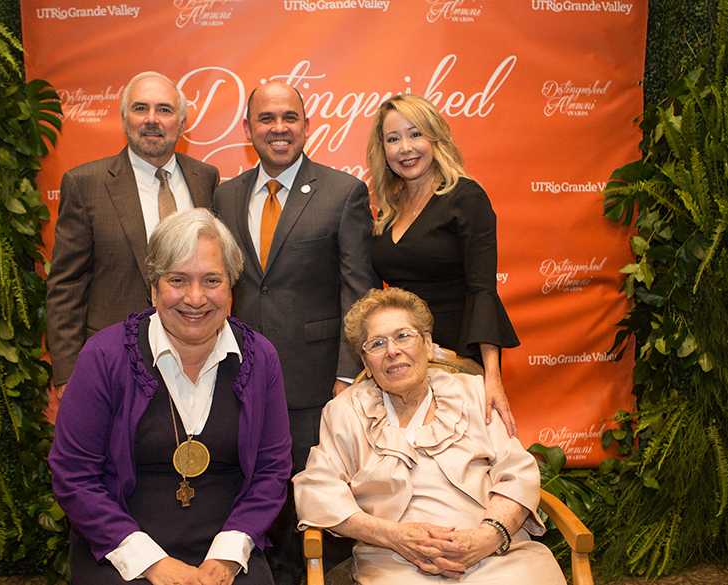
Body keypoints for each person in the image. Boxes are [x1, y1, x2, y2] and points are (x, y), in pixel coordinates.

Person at [49, 209, 292, 585]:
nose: (195, 298)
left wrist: (228, 555)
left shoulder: (261, 358)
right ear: (153, 286)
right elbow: (74, 475)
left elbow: (272, 470)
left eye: (212, 280)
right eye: (178, 280)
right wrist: (152, 563)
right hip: (121, 549)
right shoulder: (104, 356)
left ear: (231, 289)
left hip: (227, 547)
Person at [213, 81, 382, 585]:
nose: (278, 128)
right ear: (248, 129)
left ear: (307, 125)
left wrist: (348, 375)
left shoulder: (343, 191)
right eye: (266, 119)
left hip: (314, 386)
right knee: (250, 498)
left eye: (290, 117)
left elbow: (359, 290)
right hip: (239, 378)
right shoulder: (225, 194)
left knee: (317, 506)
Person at [293, 288, 564, 584]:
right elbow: (318, 490)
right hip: (397, 561)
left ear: (428, 343)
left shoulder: (473, 392)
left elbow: (516, 473)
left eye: (403, 336)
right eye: (377, 344)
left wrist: (487, 538)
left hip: (492, 554)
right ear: (366, 363)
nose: (392, 350)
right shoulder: (345, 412)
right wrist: (394, 536)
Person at [47, 71, 220, 400]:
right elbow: (66, 287)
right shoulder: (86, 184)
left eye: (165, 110)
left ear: (182, 123)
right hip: (114, 365)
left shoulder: (206, 178)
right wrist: (68, 375)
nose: (152, 119)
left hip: (197, 361)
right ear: (124, 118)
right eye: (141, 108)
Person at [365, 93, 520, 436]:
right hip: (403, 356)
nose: (405, 148)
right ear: (383, 150)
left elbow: (482, 290)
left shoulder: (465, 197)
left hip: (454, 358)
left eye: (415, 133)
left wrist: (491, 378)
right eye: (393, 139)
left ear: (435, 138)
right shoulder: (388, 209)